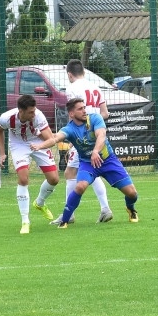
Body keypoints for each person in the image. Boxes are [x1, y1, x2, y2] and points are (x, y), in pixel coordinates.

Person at [30, 97, 139, 228]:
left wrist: (95, 151)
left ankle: (130, 208)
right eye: (80, 109)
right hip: (88, 164)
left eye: (84, 107)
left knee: (132, 194)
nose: (84, 111)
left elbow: (101, 135)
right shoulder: (69, 129)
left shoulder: (95, 118)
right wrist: (40, 146)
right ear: (71, 113)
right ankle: (65, 220)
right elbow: (55, 139)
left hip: (108, 161)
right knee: (80, 186)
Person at [51, 59, 114, 225]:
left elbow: (73, 113)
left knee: (70, 172)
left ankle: (70, 214)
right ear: (84, 72)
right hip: (97, 135)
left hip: (83, 136)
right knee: (91, 171)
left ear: (70, 75)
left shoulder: (72, 88)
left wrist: (75, 135)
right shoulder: (95, 87)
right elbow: (105, 113)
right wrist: (95, 122)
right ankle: (104, 209)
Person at [0, 94, 60, 234]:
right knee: (23, 179)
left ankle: (39, 203)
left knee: (54, 179)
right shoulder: (6, 118)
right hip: (18, 144)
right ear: (21, 111)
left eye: (34, 110)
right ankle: (25, 221)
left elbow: (51, 139)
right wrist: (2, 153)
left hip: (37, 142)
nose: (33, 114)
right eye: (30, 112)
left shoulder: (38, 116)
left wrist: (40, 146)